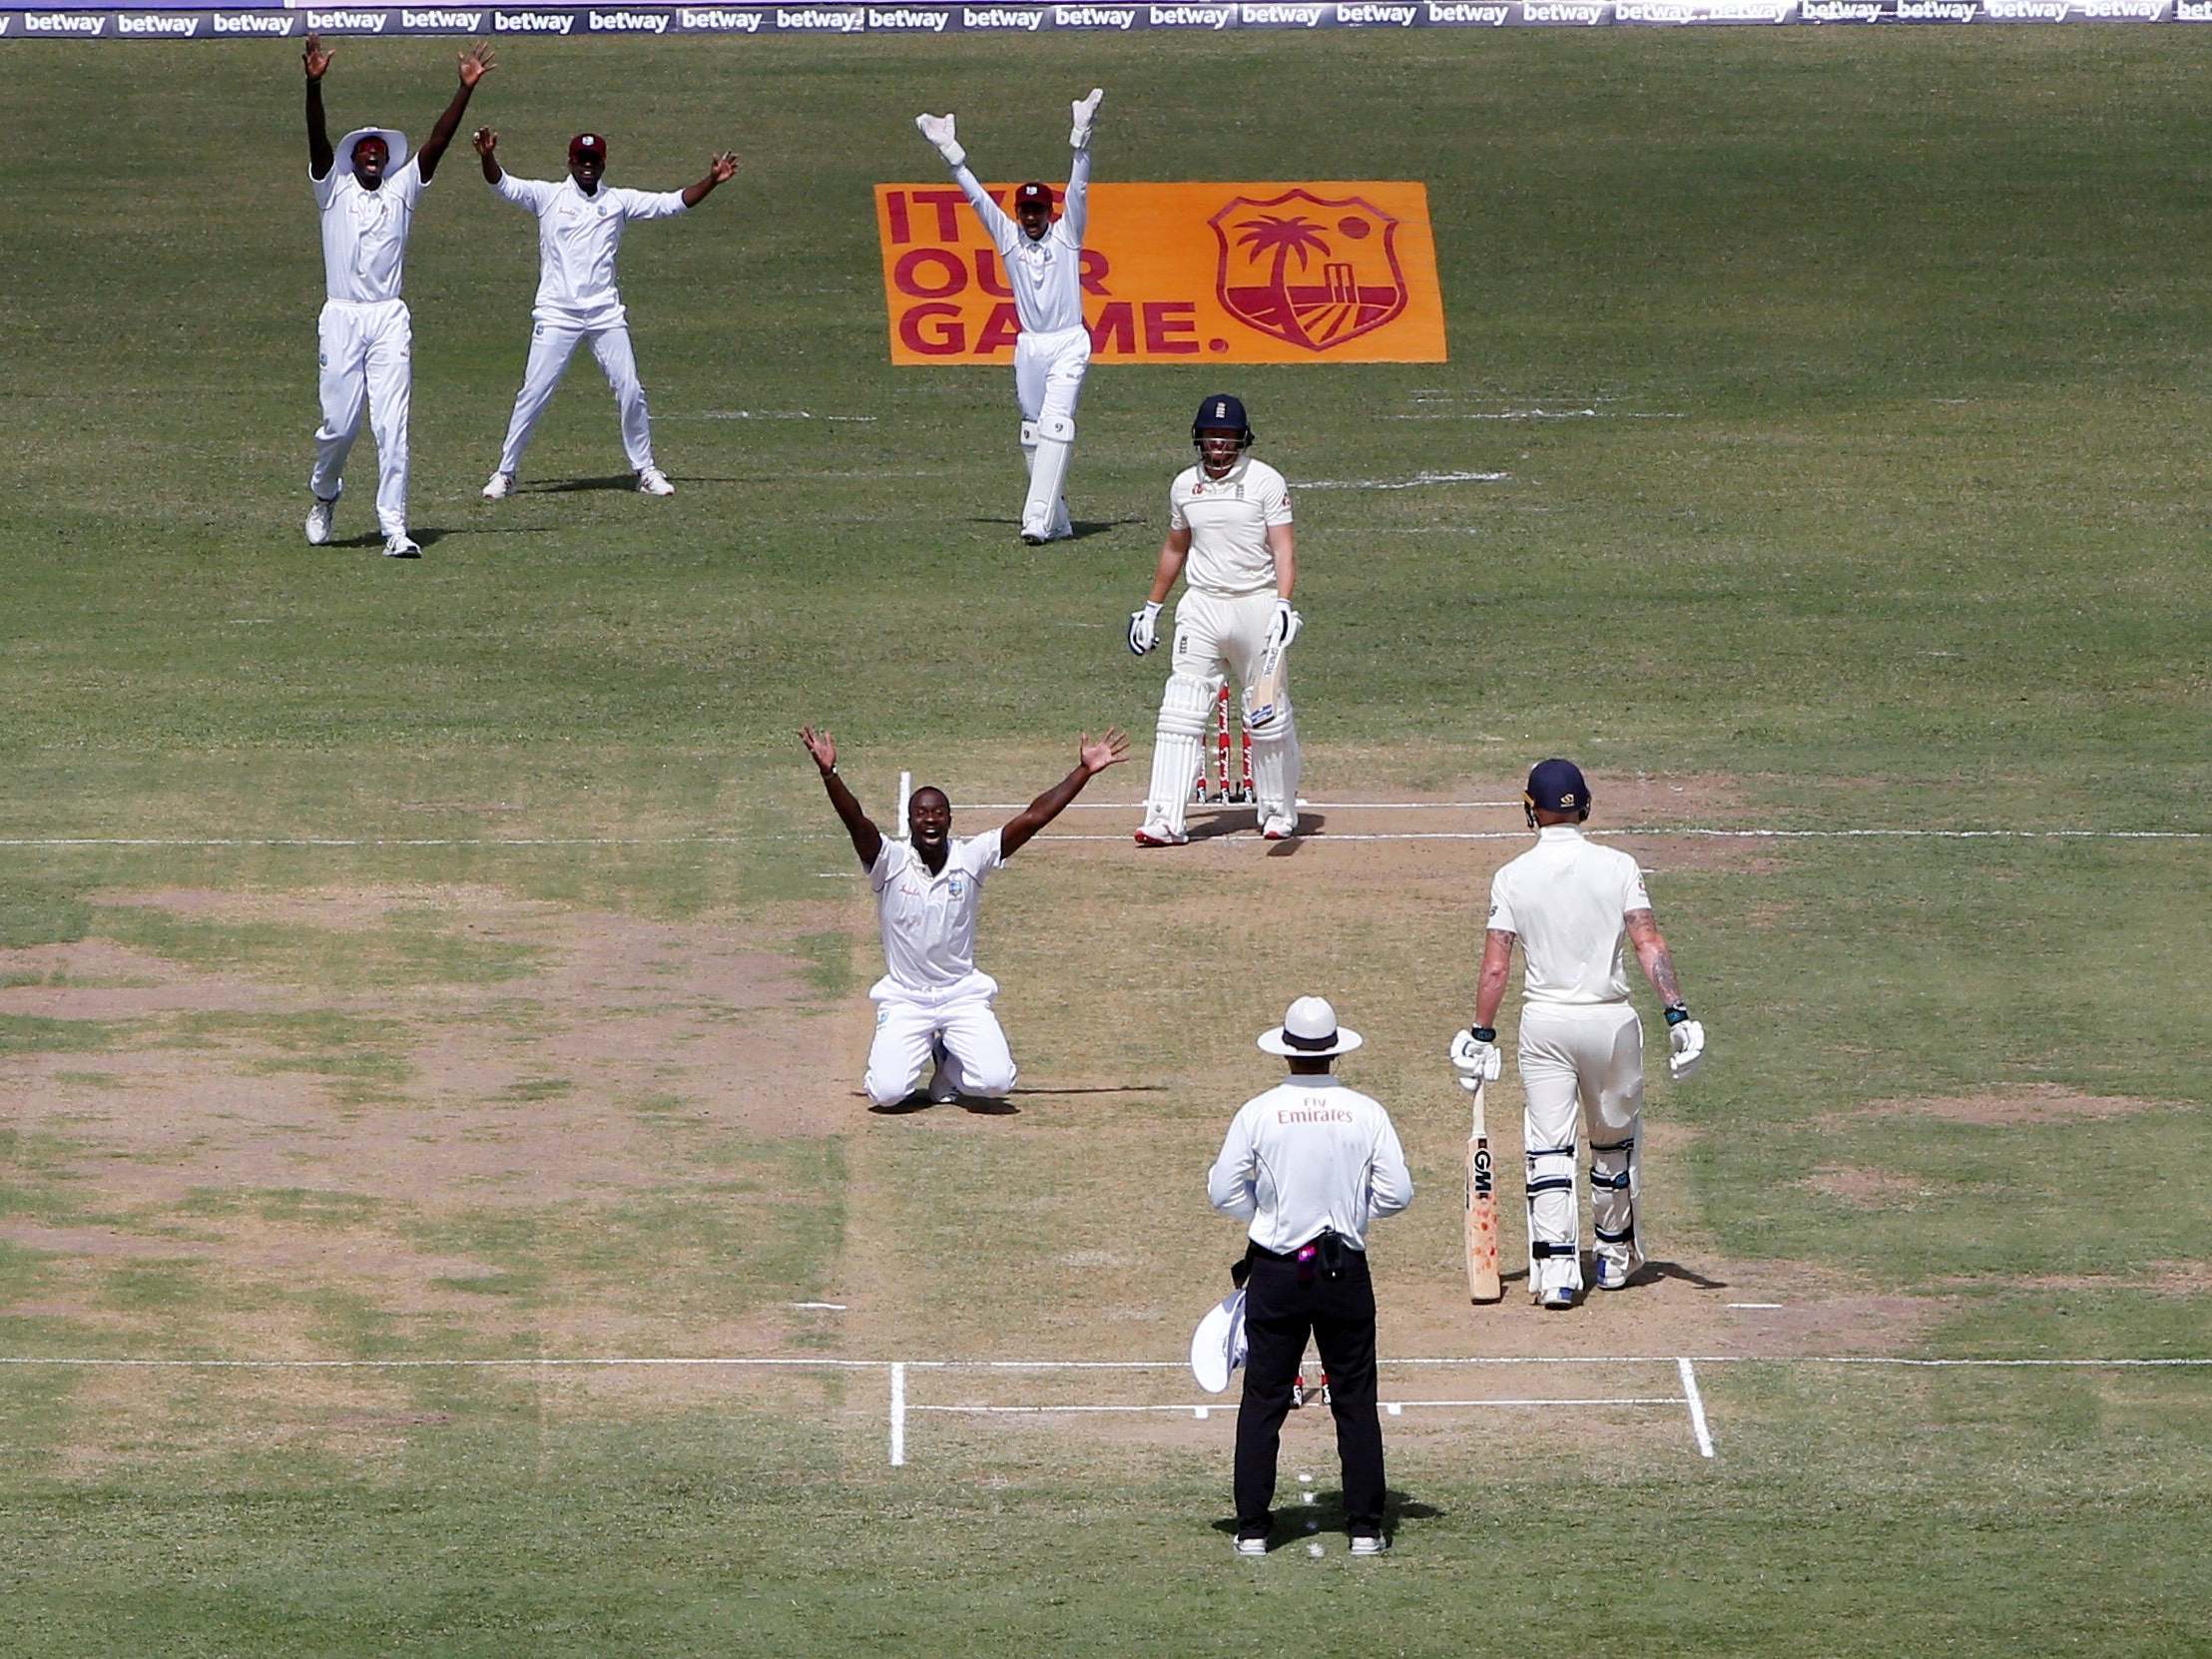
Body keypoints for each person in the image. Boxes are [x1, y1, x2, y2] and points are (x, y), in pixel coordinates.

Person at [1448, 759, 1707, 1310]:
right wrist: (1678, 1015)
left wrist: (1481, 1034)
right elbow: (1648, 943)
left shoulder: (1513, 876)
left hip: (1546, 1024)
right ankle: (1614, 1260)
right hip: (1610, 1023)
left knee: (1549, 1150)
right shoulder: (1618, 866)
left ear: (1530, 809)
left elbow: (1497, 967)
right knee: (1613, 1143)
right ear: (1584, 806)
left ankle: (1559, 1271)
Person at [800, 724, 1128, 1107]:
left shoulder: (971, 858)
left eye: (939, 813)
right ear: (910, 822)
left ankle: (947, 1063)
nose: (931, 820)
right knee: (886, 1095)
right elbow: (855, 821)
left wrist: (1083, 771)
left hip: (961, 995)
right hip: (906, 998)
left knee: (996, 1083)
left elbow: (1033, 818)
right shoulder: (888, 862)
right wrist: (829, 774)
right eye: (922, 814)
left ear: (950, 819)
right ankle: (918, 1047)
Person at [1209, 996, 1411, 1558]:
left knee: (1264, 1399)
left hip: (1278, 1268)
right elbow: (1397, 1193)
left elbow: (1222, 1191)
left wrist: (1271, 1219)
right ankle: (1366, 1529)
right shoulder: (1366, 1112)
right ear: (1334, 1053)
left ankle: (1252, 1529)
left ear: (1287, 1053)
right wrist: (1350, 1217)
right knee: (1355, 1397)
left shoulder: (1258, 1112)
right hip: (1343, 1266)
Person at [300, 33, 493, 559]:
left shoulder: (401, 191)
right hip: (341, 318)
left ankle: (394, 528)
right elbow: (317, 141)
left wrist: (464, 89)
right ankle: (324, 494)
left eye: (379, 152)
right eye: (363, 150)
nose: (371, 155)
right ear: (350, 158)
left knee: (393, 426)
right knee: (340, 426)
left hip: (388, 318)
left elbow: (437, 143)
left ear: (386, 162)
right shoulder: (331, 188)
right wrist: (313, 86)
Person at [473, 128, 738, 500]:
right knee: (533, 394)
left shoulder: (618, 201)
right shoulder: (548, 196)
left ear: (603, 164)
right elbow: (503, 185)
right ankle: (505, 473)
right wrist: (487, 157)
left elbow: (671, 203)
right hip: (557, 314)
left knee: (630, 389)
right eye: (581, 160)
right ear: (569, 162)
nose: (587, 166)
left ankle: (645, 470)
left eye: (593, 161)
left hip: (604, 315)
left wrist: (711, 180)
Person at [914, 88, 1104, 545]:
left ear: (1050, 211)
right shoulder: (1010, 239)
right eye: (1026, 211)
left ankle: (1035, 520)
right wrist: (951, 154)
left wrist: (1082, 138)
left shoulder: (1066, 236)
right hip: (1030, 345)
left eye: (1039, 210)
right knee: (1032, 433)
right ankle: (1057, 520)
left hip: (1068, 341)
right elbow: (978, 200)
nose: (1032, 218)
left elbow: (1078, 189)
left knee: (1058, 424)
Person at [1128, 394, 1302, 844]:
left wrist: (1283, 602)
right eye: (1211, 437)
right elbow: (1174, 548)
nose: (1219, 446)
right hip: (1202, 604)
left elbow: (1283, 546)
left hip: (1256, 603)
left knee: (1266, 711)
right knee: (1181, 708)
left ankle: (1278, 810)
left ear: (1242, 439)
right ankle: (1165, 817)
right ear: (1199, 440)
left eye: (1226, 438)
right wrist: (1152, 608)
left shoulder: (1265, 481)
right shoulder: (1185, 486)